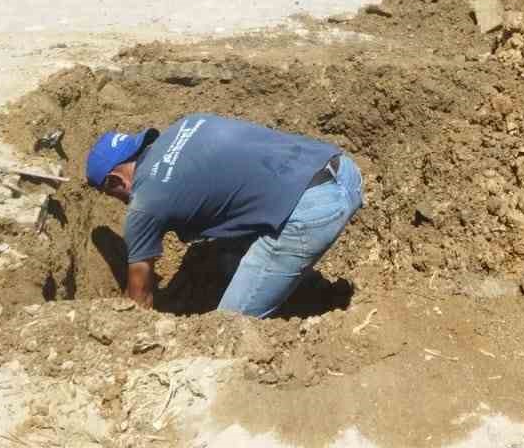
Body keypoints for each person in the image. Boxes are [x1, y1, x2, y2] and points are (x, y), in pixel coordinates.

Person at [85, 115, 363, 317]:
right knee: (224, 257)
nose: (122, 202)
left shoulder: (145, 202)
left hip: (314, 210)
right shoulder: (187, 124)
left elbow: (139, 300)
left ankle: (300, 300)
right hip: (344, 171)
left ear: (114, 181)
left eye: (114, 195)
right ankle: (309, 293)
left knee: (224, 331)